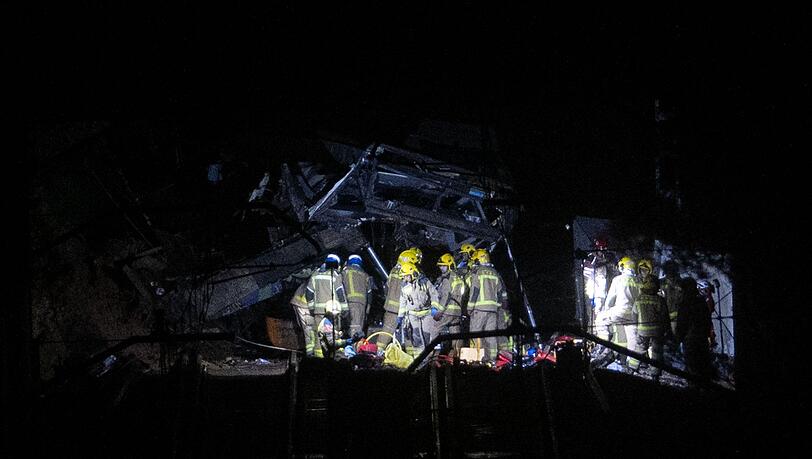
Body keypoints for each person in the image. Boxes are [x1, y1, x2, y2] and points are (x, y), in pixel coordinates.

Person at [594, 256, 640, 366]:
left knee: (600, 319)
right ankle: (632, 365)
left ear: (623, 266)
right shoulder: (638, 281)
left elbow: (610, 299)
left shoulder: (618, 279)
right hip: (634, 315)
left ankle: (603, 344)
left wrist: (604, 310)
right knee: (632, 341)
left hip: (619, 311)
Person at [465, 248, 508, 362]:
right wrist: (497, 306)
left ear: (479, 260)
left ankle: (475, 360)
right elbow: (500, 292)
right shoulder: (495, 273)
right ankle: (492, 360)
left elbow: (475, 290)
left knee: (475, 334)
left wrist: (469, 308)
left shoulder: (478, 272)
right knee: (491, 336)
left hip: (479, 309)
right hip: (493, 310)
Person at [306, 254, 349, 359]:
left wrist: (312, 308)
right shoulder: (335, 276)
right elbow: (340, 294)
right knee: (332, 336)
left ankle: (318, 359)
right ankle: (331, 359)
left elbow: (309, 293)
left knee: (318, 337)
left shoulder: (315, 275)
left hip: (318, 312)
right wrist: (345, 309)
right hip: (333, 312)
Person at [629, 259, 669, 374]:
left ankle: (632, 369)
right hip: (657, 331)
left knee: (639, 349)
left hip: (642, 331)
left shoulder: (639, 299)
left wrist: (636, 327)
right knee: (656, 352)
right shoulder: (660, 300)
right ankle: (655, 374)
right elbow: (664, 316)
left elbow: (634, 314)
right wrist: (666, 329)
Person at [375, 249, 419, 351]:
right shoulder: (409, 272)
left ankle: (377, 353)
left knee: (386, 331)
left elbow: (387, 286)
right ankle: (411, 357)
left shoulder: (393, 271)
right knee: (408, 332)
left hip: (391, 308)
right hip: (405, 308)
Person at [397, 261, 441, 357]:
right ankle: (418, 358)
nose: (405, 279)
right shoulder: (405, 286)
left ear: (413, 273)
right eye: (404, 276)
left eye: (406, 276)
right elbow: (403, 302)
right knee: (416, 337)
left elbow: (434, 294)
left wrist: (434, 308)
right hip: (413, 315)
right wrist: (400, 317)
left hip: (426, 313)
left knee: (426, 335)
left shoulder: (425, 282)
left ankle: (429, 357)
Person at [675, 278, 715, 383]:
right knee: (702, 365)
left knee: (692, 367)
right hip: (702, 340)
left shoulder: (685, 304)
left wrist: (678, 339)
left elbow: (681, 324)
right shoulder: (701, 302)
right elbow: (707, 321)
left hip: (690, 340)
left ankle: (693, 389)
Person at [431, 253, 466, 356]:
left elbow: (445, 296)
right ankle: (456, 356)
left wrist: (439, 312)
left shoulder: (447, 278)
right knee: (455, 334)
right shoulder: (457, 277)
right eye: (440, 266)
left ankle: (433, 354)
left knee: (434, 329)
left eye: (444, 265)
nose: (441, 268)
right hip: (457, 312)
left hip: (448, 311)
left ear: (450, 265)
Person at [582, 237, 616, 333]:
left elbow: (614, 272)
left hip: (606, 292)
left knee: (606, 316)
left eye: (604, 249)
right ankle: (592, 336)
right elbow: (587, 274)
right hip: (594, 293)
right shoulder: (590, 258)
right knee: (593, 316)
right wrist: (598, 264)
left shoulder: (610, 257)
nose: (603, 252)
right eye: (601, 249)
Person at [341, 254, 372, 339]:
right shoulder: (366, 275)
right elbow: (370, 293)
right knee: (358, 327)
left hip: (348, 302)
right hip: (361, 304)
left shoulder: (345, 272)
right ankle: (355, 347)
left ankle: (353, 349)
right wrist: (368, 309)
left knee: (352, 327)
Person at [289, 280, 318, 357]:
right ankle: (310, 353)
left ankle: (310, 350)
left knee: (308, 328)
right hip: (303, 305)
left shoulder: (315, 277)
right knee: (309, 328)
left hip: (300, 303)